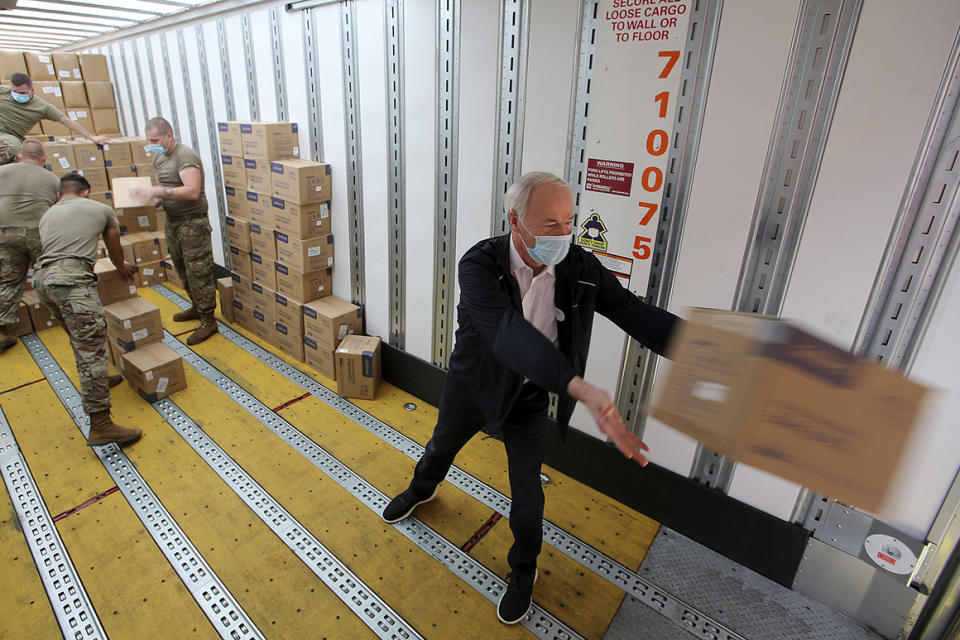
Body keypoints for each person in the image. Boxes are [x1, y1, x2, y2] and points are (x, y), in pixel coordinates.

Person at [381, 172, 681, 624]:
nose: (563, 235)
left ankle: (523, 570)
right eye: (550, 224)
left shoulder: (579, 267)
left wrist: (705, 353)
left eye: (569, 222)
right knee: (441, 446)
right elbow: (506, 334)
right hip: (475, 384)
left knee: (527, 494)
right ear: (515, 220)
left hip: (529, 395)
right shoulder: (479, 264)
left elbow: (631, 310)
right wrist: (580, 387)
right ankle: (421, 490)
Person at [33, 173, 141, 447]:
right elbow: (115, 249)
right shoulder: (100, 209)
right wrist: (122, 267)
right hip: (71, 282)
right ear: (87, 192)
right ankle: (101, 424)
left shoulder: (48, 214)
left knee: (80, 341)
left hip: (43, 282)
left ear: (60, 195)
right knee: (91, 350)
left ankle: (100, 381)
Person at [133, 116, 217, 345]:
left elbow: (191, 191)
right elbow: (169, 188)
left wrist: (158, 191)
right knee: (181, 267)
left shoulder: (184, 156)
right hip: (173, 221)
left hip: (192, 223)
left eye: (155, 139)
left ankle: (209, 319)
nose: (152, 144)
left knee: (198, 270)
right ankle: (197, 307)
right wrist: (156, 200)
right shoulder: (160, 158)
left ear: (169, 135)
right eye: (148, 140)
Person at [0, 140, 60, 349]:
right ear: (43, 159)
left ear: (18, 156)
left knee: (8, 280)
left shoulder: (2, 171)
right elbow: (59, 210)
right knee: (50, 274)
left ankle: (2, 331)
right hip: (38, 233)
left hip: (5, 234)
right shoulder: (52, 179)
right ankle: (61, 316)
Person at [1, 73, 110, 165]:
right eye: (14, 92)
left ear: (32, 90)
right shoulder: (4, 92)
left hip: (7, 137)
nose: (16, 95)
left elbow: (66, 121)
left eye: (21, 93)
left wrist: (91, 137)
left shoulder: (42, 107)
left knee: (14, 148)